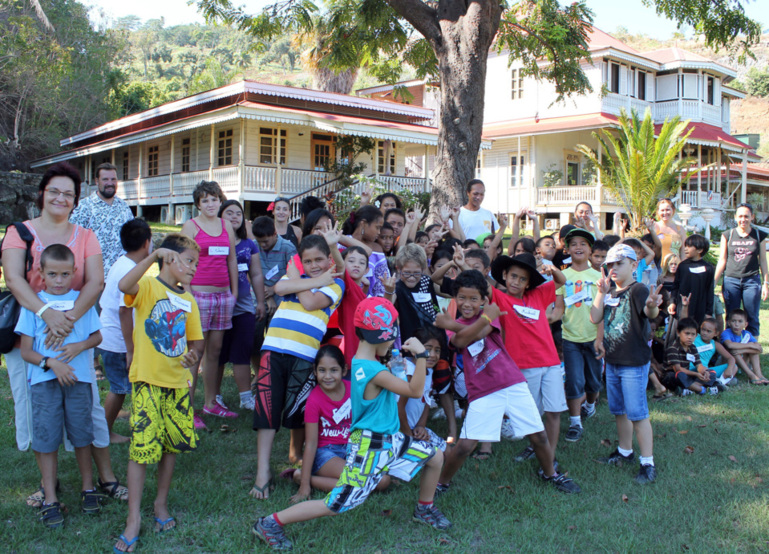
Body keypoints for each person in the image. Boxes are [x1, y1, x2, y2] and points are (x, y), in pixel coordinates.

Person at [252, 298, 450, 551]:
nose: (392, 343)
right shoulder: (373, 371)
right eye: (391, 337)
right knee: (335, 504)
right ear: (379, 336)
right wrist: (421, 356)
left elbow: (391, 387)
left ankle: (424, 508)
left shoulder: (362, 362)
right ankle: (270, 522)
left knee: (435, 457)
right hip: (370, 447)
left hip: (391, 439)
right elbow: (415, 389)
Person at [1, 162, 127, 508]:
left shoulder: (85, 235)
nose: (60, 197)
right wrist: (47, 315)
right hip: (32, 338)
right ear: (43, 193)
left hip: (74, 337)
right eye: (54, 191)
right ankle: (48, 485)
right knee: (38, 413)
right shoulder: (20, 232)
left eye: (68, 194)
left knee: (87, 411)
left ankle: (104, 478)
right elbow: (14, 280)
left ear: (75, 200)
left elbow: (95, 281)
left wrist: (69, 319)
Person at [434, 269, 580, 493]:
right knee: (465, 446)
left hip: (512, 382)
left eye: (474, 298)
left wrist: (458, 322)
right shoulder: (482, 317)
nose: (467, 303)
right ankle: (441, 482)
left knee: (538, 436)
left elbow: (481, 332)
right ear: (455, 298)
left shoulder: (491, 316)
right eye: (462, 297)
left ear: (484, 299)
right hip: (482, 390)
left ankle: (551, 474)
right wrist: (462, 324)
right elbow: (462, 339)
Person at [114, 234, 204, 554]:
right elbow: (125, 285)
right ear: (171, 258)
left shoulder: (189, 300)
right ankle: (133, 518)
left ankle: (160, 504)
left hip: (177, 385)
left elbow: (194, 343)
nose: (194, 268)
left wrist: (193, 358)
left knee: (170, 447)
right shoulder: (149, 287)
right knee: (141, 450)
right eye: (189, 261)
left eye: (196, 262)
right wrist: (152, 257)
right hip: (148, 382)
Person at [16, 244, 103, 528]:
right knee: (46, 437)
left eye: (65, 274)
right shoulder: (34, 305)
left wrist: (78, 346)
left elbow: (96, 337)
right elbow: (26, 352)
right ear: (41, 273)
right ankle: (50, 497)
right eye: (52, 274)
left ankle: (88, 488)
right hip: (45, 383)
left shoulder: (81, 301)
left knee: (82, 433)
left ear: (74, 273)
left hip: (78, 381)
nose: (58, 280)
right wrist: (52, 364)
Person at [252, 235, 345, 499]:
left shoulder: (336, 284)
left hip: (304, 355)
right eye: (307, 261)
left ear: (329, 260)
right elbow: (280, 290)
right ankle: (262, 473)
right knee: (266, 411)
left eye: (319, 260)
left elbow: (310, 303)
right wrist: (313, 280)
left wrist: (299, 278)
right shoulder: (312, 279)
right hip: (272, 348)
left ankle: (298, 457)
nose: (314, 265)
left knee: (297, 411)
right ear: (300, 261)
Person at [590, 244, 662, 484]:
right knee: (619, 411)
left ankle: (648, 463)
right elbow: (595, 317)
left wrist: (652, 305)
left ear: (633, 265)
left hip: (633, 362)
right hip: (613, 361)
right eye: (610, 264)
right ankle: (624, 452)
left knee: (637, 414)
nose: (613, 268)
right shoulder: (610, 292)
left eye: (619, 263)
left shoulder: (638, 289)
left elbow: (649, 313)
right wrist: (601, 292)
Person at [283, 345, 390, 500]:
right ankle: (306, 479)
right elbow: (311, 443)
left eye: (333, 370)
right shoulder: (314, 400)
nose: (327, 376)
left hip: (352, 448)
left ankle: (309, 478)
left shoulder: (354, 390)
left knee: (384, 481)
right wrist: (304, 486)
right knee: (373, 481)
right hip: (326, 453)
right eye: (322, 370)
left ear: (344, 370)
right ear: (315, 370)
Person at [488, 252, 566, 464]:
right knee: (531, 413)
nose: (517, 282)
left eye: (523, 279)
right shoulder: (500, 298)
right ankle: (536, 448)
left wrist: (552, 270)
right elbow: (484, 286)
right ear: (504, 275)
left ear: (529, 282)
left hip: (550, 362)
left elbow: (561, 280)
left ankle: (549, 456)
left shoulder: (538, 295)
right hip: (524, 365)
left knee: (554, 411)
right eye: (513, 276)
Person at [181, 181, 238, 427]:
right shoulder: (190, 227)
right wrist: (188, 294)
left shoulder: (226, 225)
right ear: (198, 204)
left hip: (223, 296)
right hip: (199, 297)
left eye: (214, 199)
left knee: (215, 352)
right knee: (197, 352)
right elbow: (182, 263)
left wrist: (234, 293)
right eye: (205, 200)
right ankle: (187, 408)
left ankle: (211, 404)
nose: (211, 204)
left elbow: (232, 261)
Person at [99, 219, 153, 444]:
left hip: (110, 336)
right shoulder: (131, 271)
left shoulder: (121, 262)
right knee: (119, 388)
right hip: (117, 341)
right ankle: (104, 432)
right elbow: (124, 310)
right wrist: (131, 349)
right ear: (147, 244)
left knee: (120, 387)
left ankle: (105, 430)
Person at [554, 228, 602, 443]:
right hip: (571, 338)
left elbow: (605, 310)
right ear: (567, 249)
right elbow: (557, 310)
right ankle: (575, 422)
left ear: (590, 249)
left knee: (593, 382)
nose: (579, 247)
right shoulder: (562, 277)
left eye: (583, 244)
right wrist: (541, 319)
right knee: (574, 381)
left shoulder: (599, 276)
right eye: (574, 244)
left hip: (593, 338)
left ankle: (590, 406)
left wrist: (600, 338)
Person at [218, 200, 265, 410]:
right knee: (217, 353)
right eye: (229, 213)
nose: (235, 217)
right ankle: (215, 396)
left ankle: (246, 398)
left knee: (242, 351)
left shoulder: (249, 244)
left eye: (238, 213)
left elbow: (255, 274)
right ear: (220, 217)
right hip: (218, 305)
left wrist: (261, 300)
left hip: (244, 307)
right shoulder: (215, 242)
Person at [69, 162, 134, 280]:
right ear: (97, 181)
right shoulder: (84, 207)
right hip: (93, 279)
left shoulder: (124, 207)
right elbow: (73, 241)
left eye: (113, 179)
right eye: (105, 179)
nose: (110, 183)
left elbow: (133, 239)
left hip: (122, 278)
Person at [714, 203, 769, 337]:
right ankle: (730, 350)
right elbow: (722, 259)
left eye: (746, 216)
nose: (743, 219)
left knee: (752, 317)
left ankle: (751, 351)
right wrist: (714, 281)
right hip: (731, 280)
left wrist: (766, 283)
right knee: (731, 316)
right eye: (740, 216)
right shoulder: (728, 234)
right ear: (735, 217)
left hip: (751, 280)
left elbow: (763, 260)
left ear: (752, 217)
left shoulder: (759, 235)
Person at [251, 216, 298, 360]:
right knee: (254, 337)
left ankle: (271, 367)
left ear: (275, 234)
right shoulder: (254, 246)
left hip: (282, 296)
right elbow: (251, 274)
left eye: (266, 241)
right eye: (260, 242)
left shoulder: (288, 248)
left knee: (276, 337)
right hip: (259, 295)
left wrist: (273, 292)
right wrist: (268, 295)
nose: (262, 245)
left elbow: (293, 277)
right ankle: (258, 370)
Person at [397, 326, 449, 452]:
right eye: (427, 350)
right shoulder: (408, 371)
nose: (432, 355)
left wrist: (421, 426)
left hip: (415, 428)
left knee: (448, 452)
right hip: (401, 431)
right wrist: (408, 435)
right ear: (414, 351)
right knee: (435, 457)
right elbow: (398, 407)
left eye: (437, 350)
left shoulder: (429, 370)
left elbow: (426, 400)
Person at [664, 317, 721, 396]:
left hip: (688, 376)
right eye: (687, 333)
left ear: (696, 335)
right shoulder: (673, 349)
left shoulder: (692, 348)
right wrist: (696, 374)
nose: (690, 337)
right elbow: (677, 369)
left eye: (693, 334)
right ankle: (702, 390)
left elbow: (699, 365)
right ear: (678, 333)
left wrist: (704, 372)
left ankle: (689, 389)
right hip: (673, 377)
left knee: (711, 372)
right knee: (679, 374)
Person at [670, 234, 714, 325]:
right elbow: (675, 286)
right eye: (685, 246)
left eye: (689, 246)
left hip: (700, 307)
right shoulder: (682, 266)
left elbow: (709, 290)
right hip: (682, 306)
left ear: (700, 250)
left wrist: (708, 312)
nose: (685, 249)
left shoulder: (708, 268)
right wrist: (672, 302)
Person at [720, 308, 768, 385]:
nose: (736, 324)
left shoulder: (747, 334)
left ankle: (759, 374)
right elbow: (730, 345)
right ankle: (751, 375)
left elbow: (759, 349)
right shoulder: (726, 333)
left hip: (742, 359)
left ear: (745, 324)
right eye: (733, 321)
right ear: (729, 323)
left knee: (752, 352)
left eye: (740, 321)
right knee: (733, 351)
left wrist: (741, 351)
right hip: (728, 362)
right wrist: (749, 345)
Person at [694, 316, 736, 387]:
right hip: (693, 368)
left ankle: (720, 383)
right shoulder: (695, 336)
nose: (705, 333)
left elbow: (731, 358)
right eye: (703, 330)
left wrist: (729, 368)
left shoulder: (715, 344)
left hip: (706, 371)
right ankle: (706, 384)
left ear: (716, 333)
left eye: (708, 331)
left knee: (734, 367)